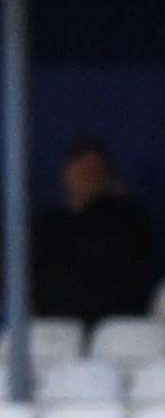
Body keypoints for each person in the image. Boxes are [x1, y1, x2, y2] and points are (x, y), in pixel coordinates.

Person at [33, 137, 155, 323]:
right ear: (67, 172)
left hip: (113, 321)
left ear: (107, 176)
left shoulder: (127, 219)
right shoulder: (48, 223)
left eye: (95, 172)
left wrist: (119, 205)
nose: (88, 178)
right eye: (82, 171)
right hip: (55, 321)